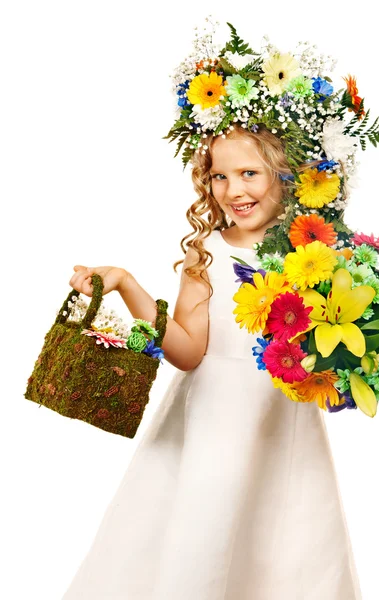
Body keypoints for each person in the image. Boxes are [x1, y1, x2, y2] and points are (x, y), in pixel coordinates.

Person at [62, 123, 363, 599]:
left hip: (281, 421)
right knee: (205, 531)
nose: (234, 190)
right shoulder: (209, 252)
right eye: (219, 176)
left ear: (286, 175)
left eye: (249, 173)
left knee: (284, 541)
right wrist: (126, 284)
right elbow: (186, 352)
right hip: (212, 421)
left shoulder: (314, 254)